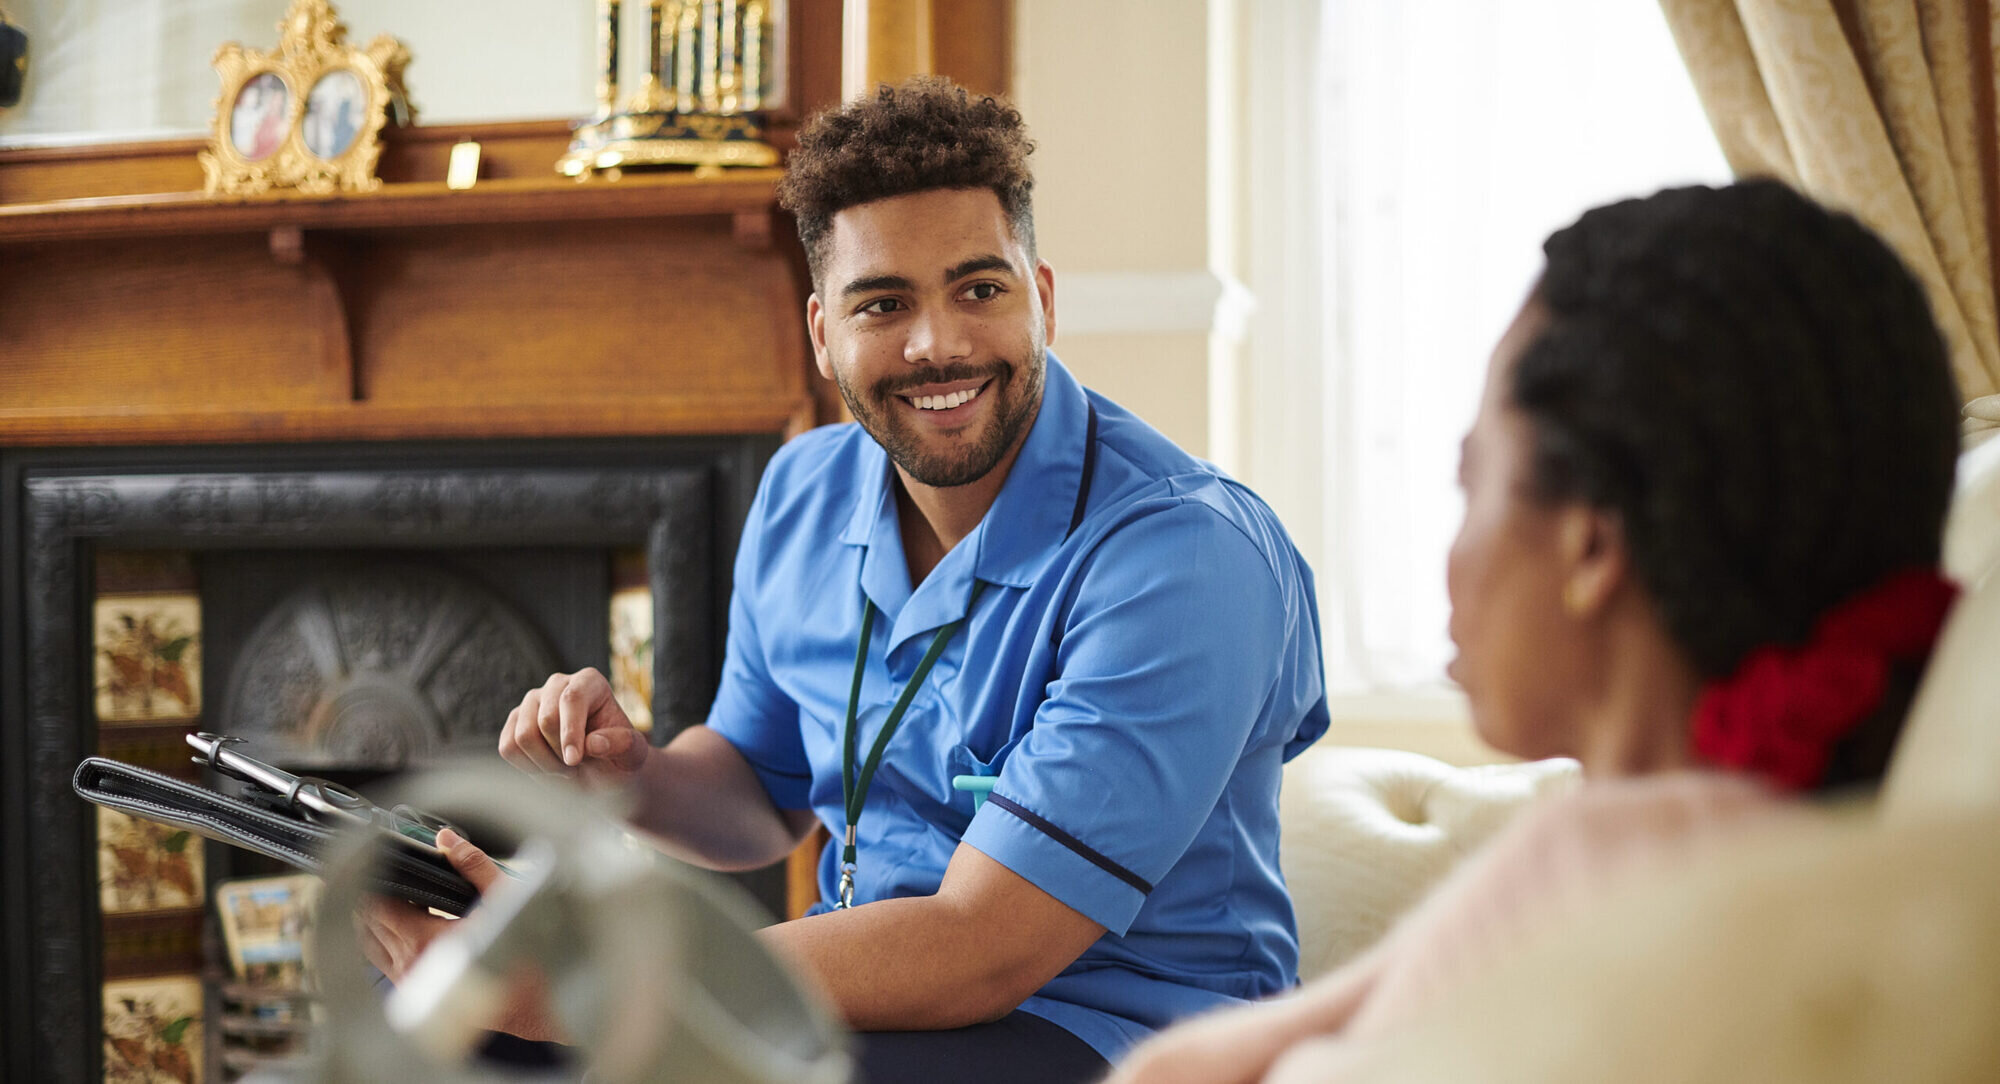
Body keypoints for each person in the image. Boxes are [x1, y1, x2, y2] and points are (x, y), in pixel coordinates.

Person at [361, 76, 1329, 1083]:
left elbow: (982, 947)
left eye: (979, 289)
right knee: (432, 1020)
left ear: (1041, 298)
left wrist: (599, 980)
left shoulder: (1186, 557)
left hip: (1116, 1030)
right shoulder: (802, 492)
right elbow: (759, 794)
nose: (937, 343)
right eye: (884, 304)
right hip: (871, 1006)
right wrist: (632, 777)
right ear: (824, 333)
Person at [1107, 179, 1964, 1084]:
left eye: (1472, 481)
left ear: (1589, 545)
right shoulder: (1823, 856)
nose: (1453, 555)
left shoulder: (1606, 861)